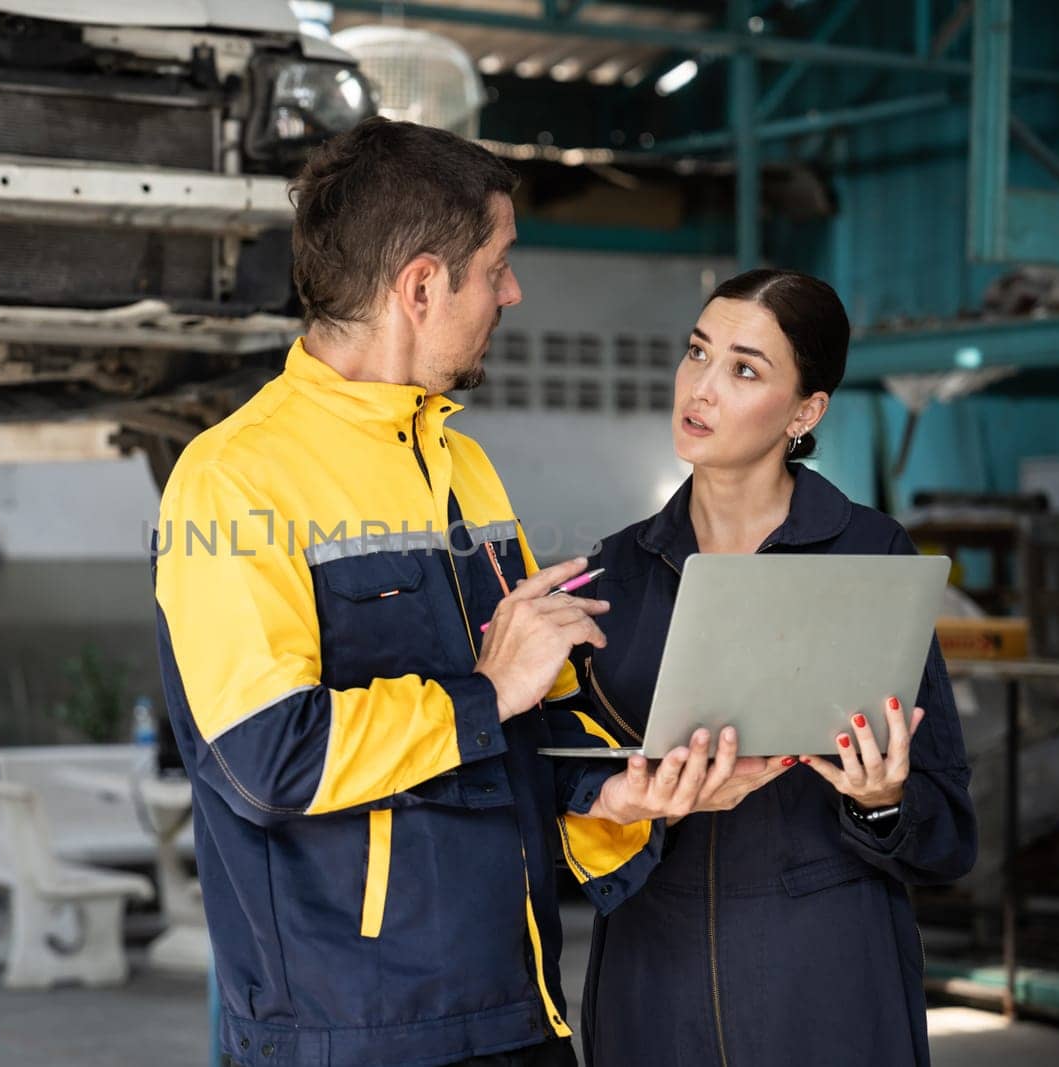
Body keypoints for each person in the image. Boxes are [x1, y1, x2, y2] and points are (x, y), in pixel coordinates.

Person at [152, 118, 762, 1067]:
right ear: (423, 286)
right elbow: (265, 760)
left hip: (518, 1008)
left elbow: (524, 732)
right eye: (498, 265)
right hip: (351, 1034)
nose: (512, 292)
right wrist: (483, 692)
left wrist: (622, 791)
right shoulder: (235, 479)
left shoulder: (464, 466)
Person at [574, 268, 978, 1067]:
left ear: (805, 411)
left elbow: (948, 832)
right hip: (654, 980)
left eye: (744, 368)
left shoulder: (870, 558)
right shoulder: (614, 573)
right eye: (697, 352)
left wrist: (882, 802)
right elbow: (556, 796)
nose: (702, 386)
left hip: (825, 980)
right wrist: (617, 793)